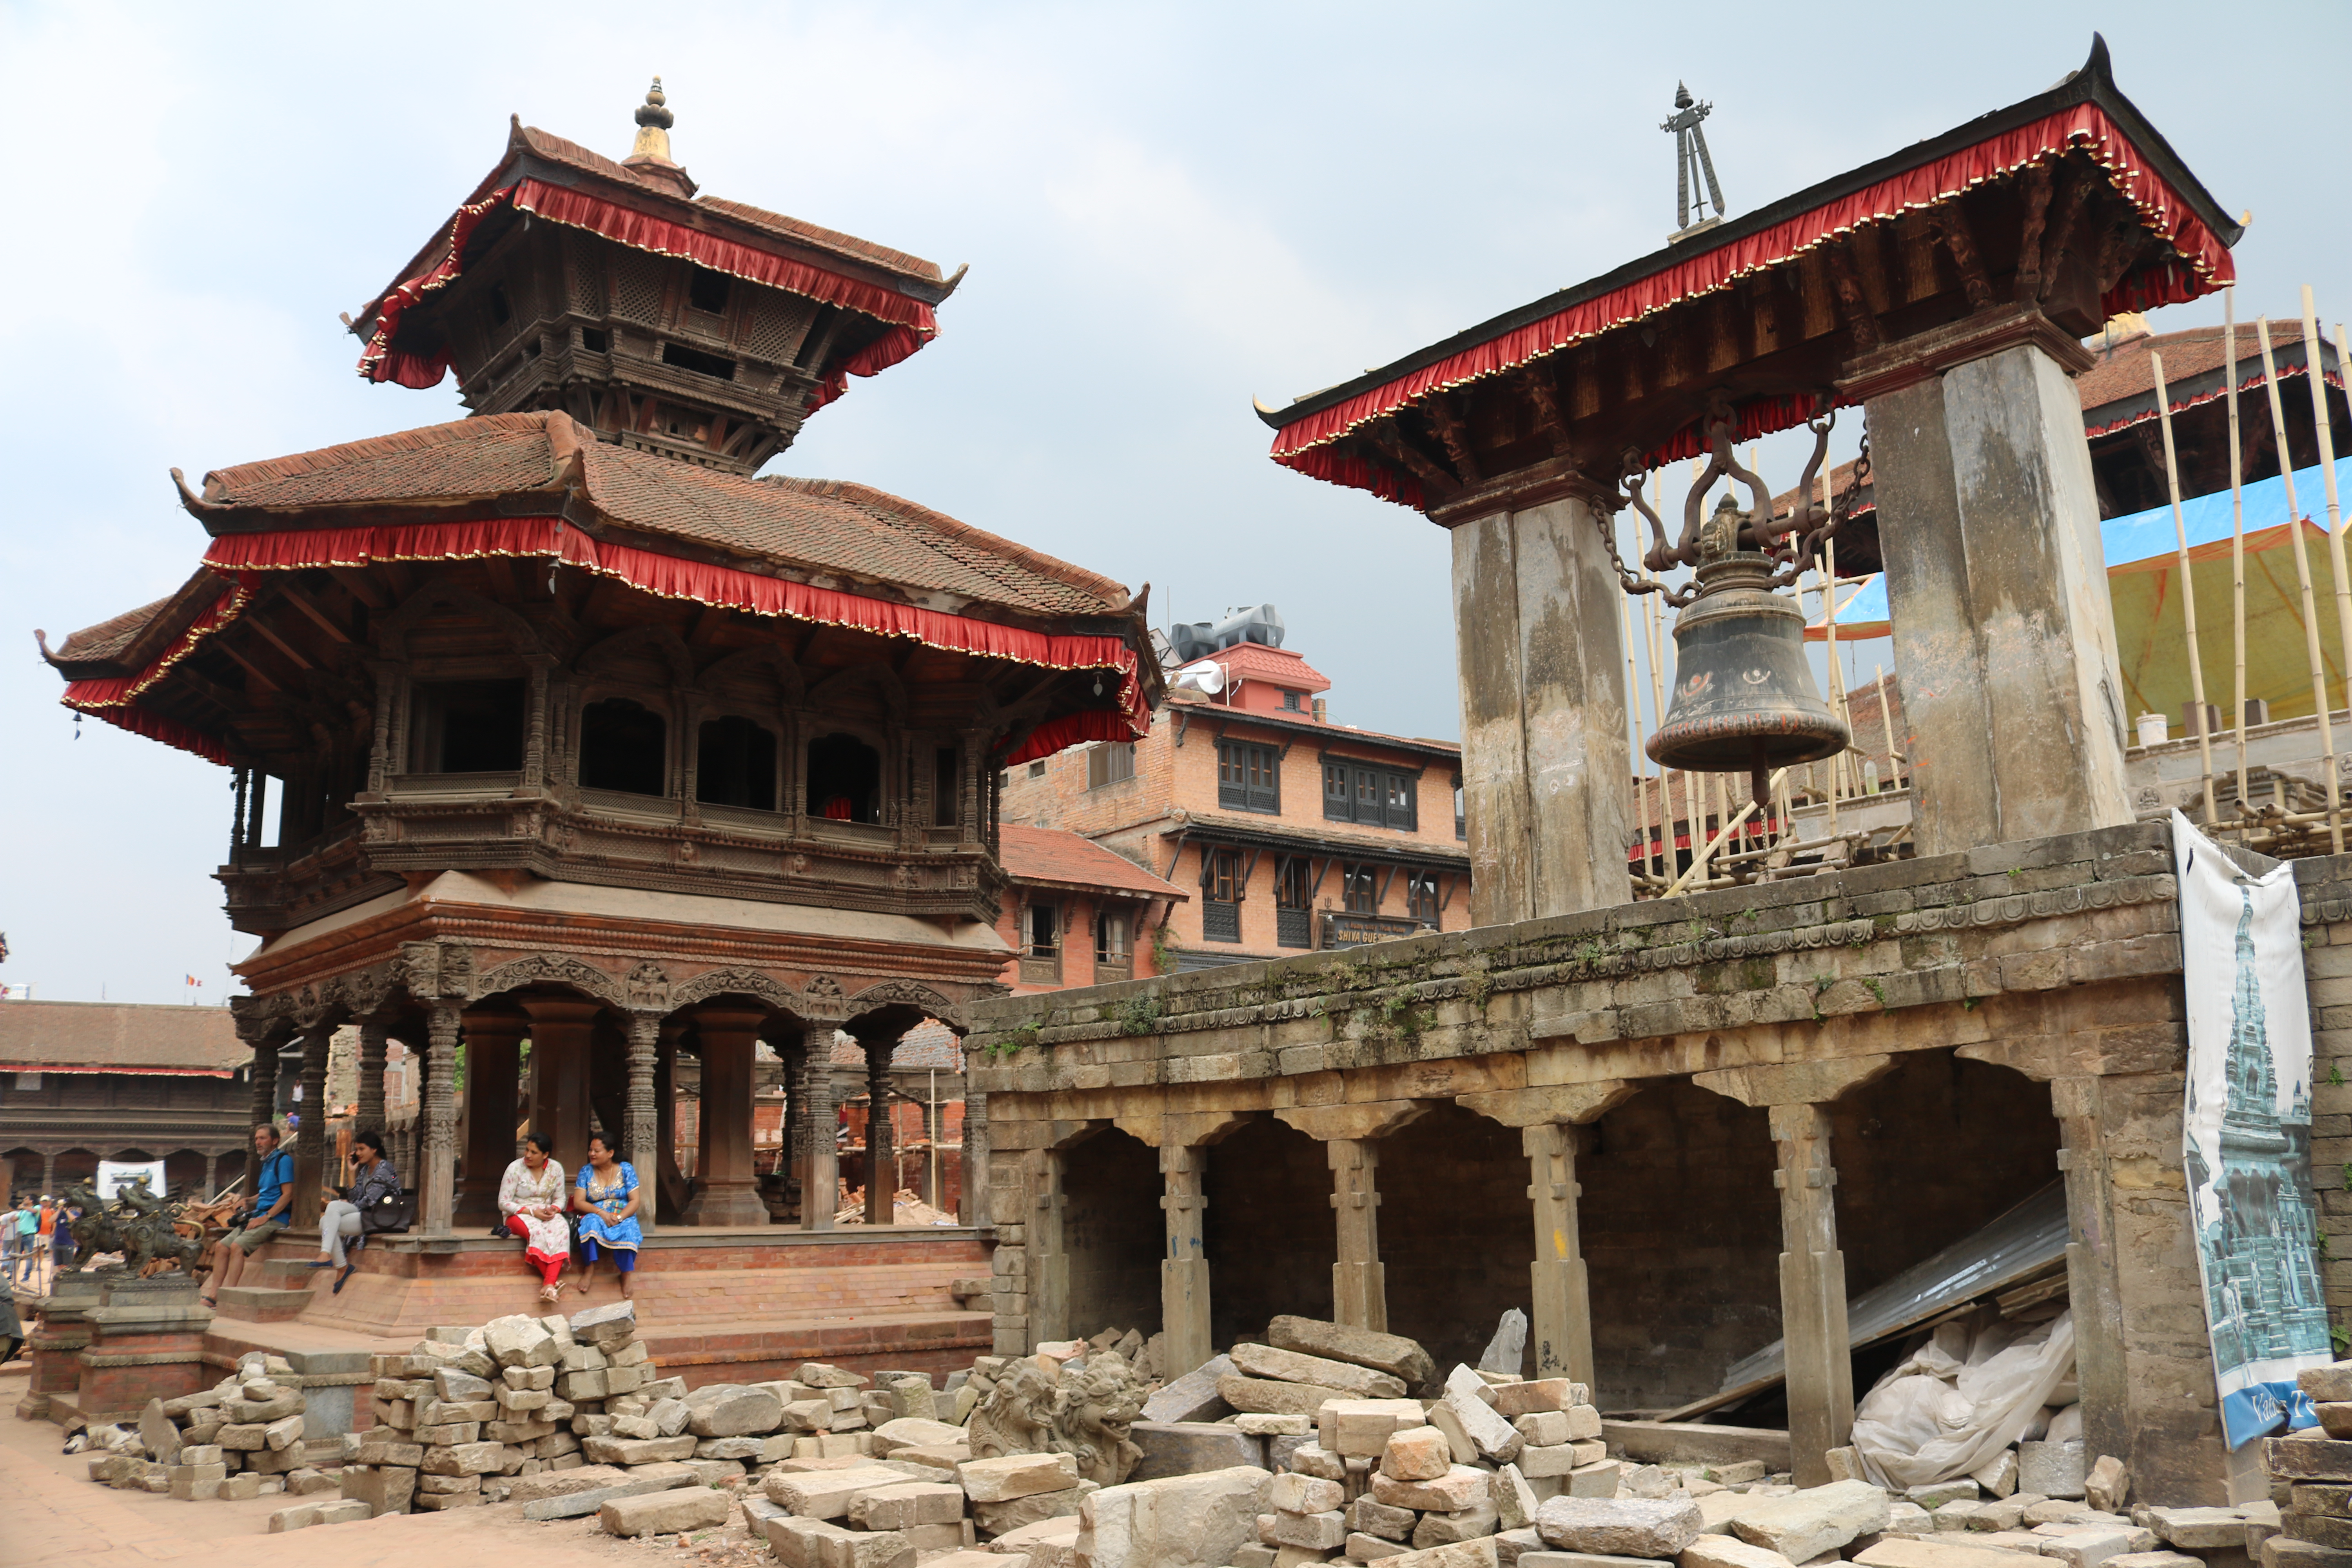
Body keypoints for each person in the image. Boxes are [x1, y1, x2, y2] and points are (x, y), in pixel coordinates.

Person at [202, 1125, 293, 1308]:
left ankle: (230, 1296)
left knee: (237, 1246)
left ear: (275, 1141)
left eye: (262, 1138)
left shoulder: (283, 1161)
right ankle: (214, 1295)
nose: (258, 1142)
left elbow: (288, 1194)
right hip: (258, 1215)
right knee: (221, 1247)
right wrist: (248, 1200)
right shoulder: (266, 1162)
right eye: (256, 1139)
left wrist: (266, 1217)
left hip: (276, 1218)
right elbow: (267, 1192)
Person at [311, 1129, 398, 1294]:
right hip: (365, 1212)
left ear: (374, 1149)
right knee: (328, 1216)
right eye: (357, 1149)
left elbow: (370, 1201)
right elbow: (355, 1197)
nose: (358, 1153)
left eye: (362, 1149)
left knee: (329, 1218)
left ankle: (334, 1261)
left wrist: (343, 1211)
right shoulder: (365, 1170)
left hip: (380, 1216)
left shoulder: (385, 1170)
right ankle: (335, 1261)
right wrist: (351, 1172)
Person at [499, 1133, 570, 1303]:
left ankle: (548, 1286)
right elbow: (503, 1202)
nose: (528, 1155)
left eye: (534, 1152)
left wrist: (554, 1209)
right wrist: (532, 1212)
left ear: (545, 1155)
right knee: (537, 1233)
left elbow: (561, 1198)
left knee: (562, 1229)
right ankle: (551, 1283)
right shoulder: (515, 1168)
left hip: (546, 1212)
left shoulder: (556, 1168)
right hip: (519, 1214)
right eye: (527, 1150)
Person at [572, 1132, 642, 1300]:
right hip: (597, 1213)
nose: (592, 1154)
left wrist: (620, 1218)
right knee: (590, 1224)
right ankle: (589, 1269)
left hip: (622, 1214)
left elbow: (635, 1201)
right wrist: (602, 1213)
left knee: (629, 1230)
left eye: (597, 1151)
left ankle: (625, 1274)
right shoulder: (586, 1171)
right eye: (590, 1150)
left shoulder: (626, 1169)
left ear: (610, 1153)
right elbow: (579, 1202)